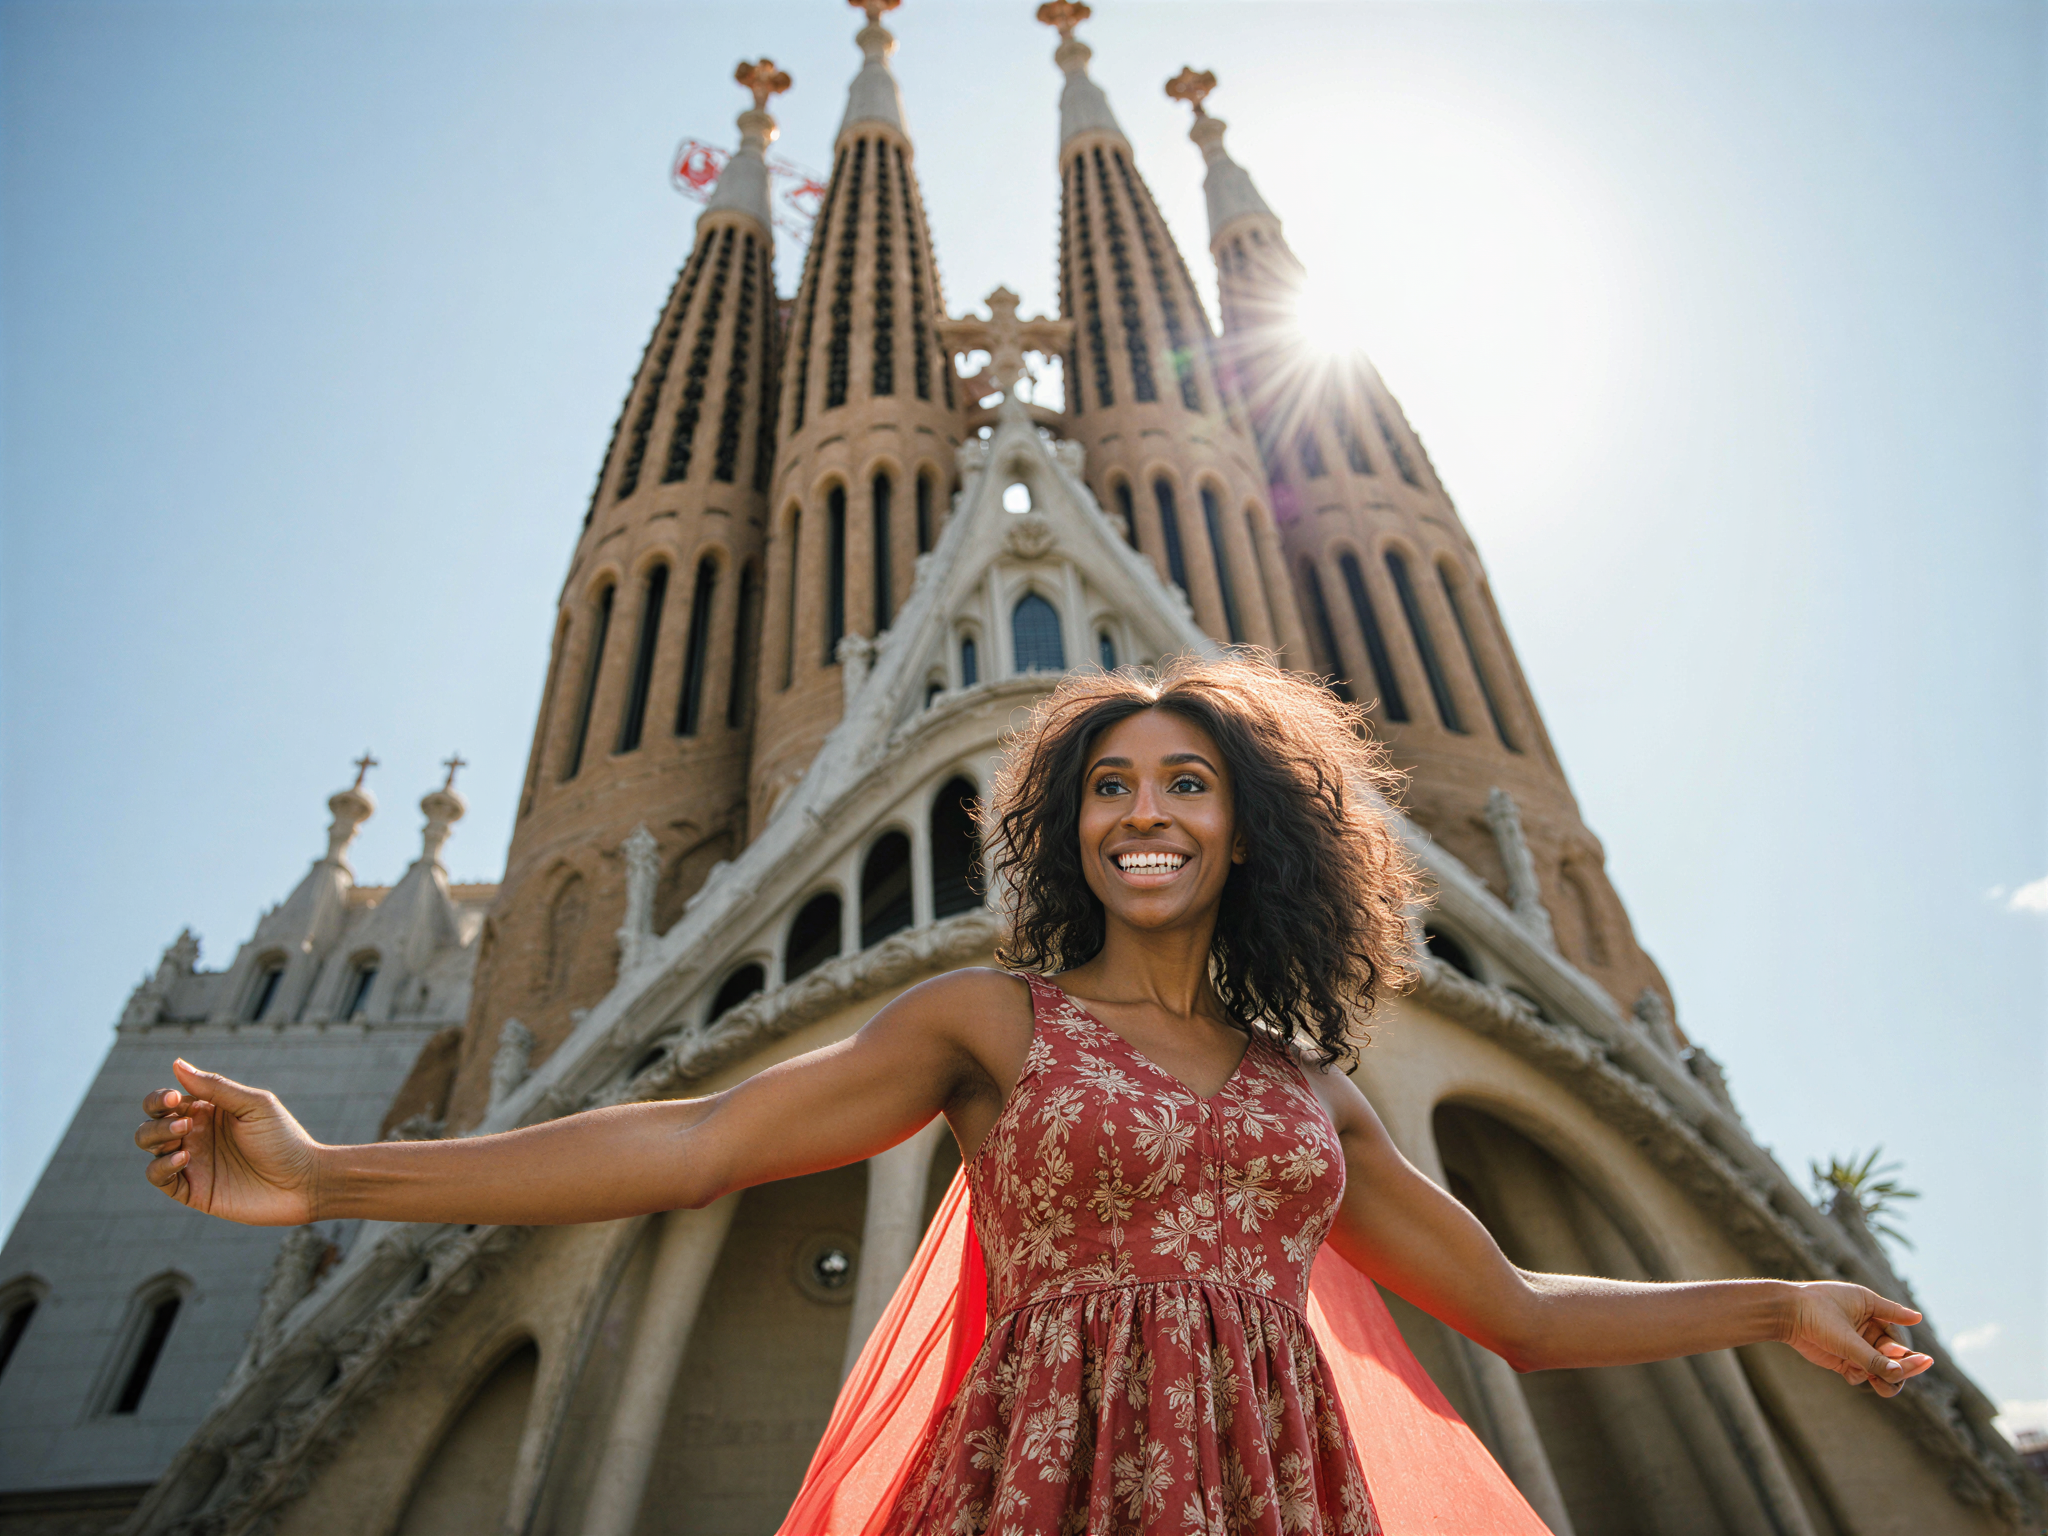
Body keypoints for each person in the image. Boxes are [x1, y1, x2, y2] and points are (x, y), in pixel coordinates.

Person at [137, 654, 1931, 1534]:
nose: (1144, 811)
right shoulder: (990, 1023)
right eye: (1106, 788)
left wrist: (1779, 1302)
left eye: (1186, 784)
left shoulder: (1309, 1093)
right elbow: (691, 1144)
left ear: (1254, 828)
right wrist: (327, 1175)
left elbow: (1520, 1315)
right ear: (1067, 830)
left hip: (1279, 1494)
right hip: (1043, 1480)